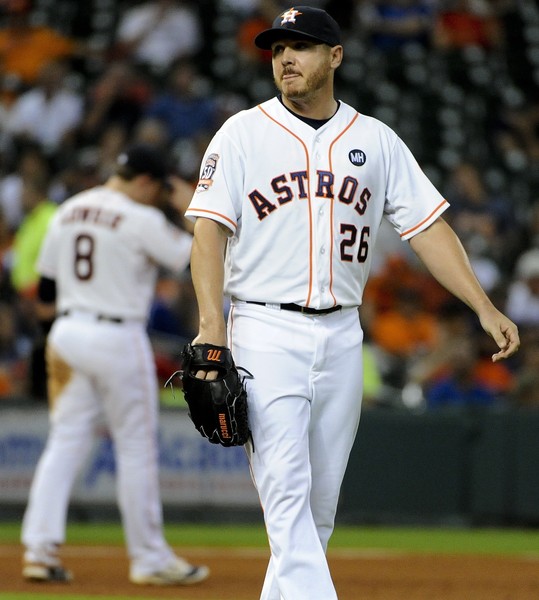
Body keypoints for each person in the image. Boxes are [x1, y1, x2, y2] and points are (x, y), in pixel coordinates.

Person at [184, 6, 520, 599]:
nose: (286, 58)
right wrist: (212, 326)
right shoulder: (242, 133)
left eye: (301, 46)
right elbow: (207, 232)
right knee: (286, 499)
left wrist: (482, 305)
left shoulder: (375, 140)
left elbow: (428, 228)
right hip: (264, 328)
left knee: (315, 515)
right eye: (278, 49)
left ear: (335, 56)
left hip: (342, 334)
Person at [20, 144, 209, 586]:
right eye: (158, 188)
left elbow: (45, 290)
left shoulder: (67, 210)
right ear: (146, 182)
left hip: (67, 332)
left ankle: (39, 550)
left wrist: (58, 339)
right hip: (117, 335)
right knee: (136, 447)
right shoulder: (140, 218)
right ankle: (149, 557)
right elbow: (200, 254)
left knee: (65, 441)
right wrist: (187, 205)